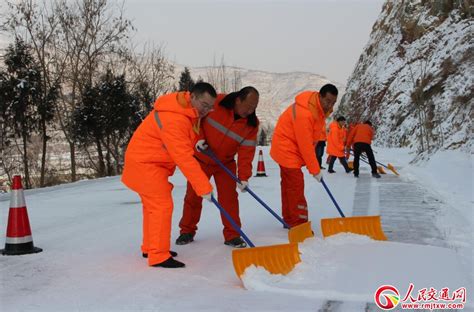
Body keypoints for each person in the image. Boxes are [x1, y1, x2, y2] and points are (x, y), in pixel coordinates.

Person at [121, 82, 217, 268]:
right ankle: (158, 255)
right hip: (146, 165)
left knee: (152, 208)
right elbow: (184, 158)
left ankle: (151, 247)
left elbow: (187, 134)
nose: (207, 110)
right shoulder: (175, 118)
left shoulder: (184, 110)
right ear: (193, 97)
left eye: (210, 106)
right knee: (161, 206)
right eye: (205, 105)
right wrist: (203, 187)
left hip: (148, 163)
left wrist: (197, 141)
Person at [176, 87, 259, 248]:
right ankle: (187, 231)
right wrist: (198, 139)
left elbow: (247, 151)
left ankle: (233, 235)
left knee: (229, 200)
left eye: (253, 108)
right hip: (201, 158)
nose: (250, 111)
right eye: (247, 106)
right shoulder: (217, 103)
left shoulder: (251, 124)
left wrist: (244, 177)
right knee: (193, 197)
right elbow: (195, 119)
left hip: (225, 164)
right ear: (237, 100)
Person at [270, 84, 338, 227]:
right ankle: (299, 224)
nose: (329, 105)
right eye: (327, 101)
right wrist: (315, 169)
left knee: (289, 186)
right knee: (295, 186)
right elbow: (305, 145)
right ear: (319, 96)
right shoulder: (305, 113)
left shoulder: (316, 109)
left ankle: (289, 219)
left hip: (288, 147)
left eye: (333, 102)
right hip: (287, 148)